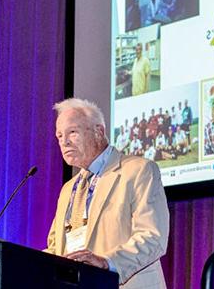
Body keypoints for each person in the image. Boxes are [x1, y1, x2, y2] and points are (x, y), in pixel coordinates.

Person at [47, 98, 169, 288]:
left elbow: (152, 237)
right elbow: (56, 249)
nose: (64, 142)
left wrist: (108, 262)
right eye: (59, 136)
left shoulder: (139, 171)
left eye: (72, 132)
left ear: (99, 132)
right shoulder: (67, 190)